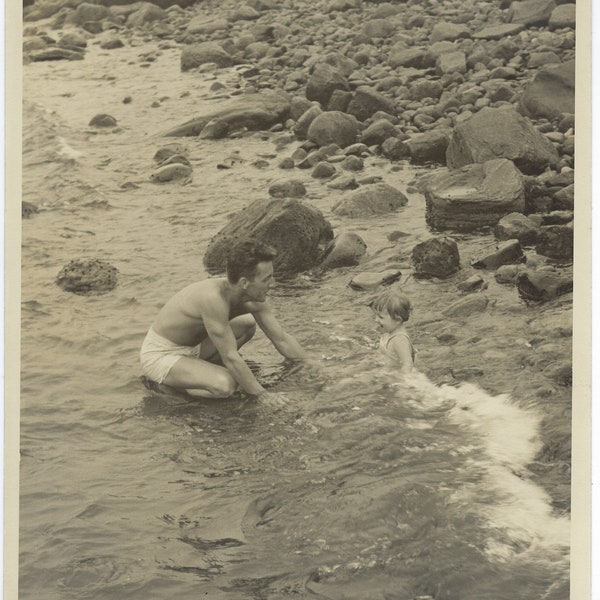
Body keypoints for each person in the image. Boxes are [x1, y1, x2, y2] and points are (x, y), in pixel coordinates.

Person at [140, 238, 308, 400]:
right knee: (226, 385)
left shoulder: (255, 298)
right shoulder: (213, 299)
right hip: (161, 355)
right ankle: (172, 385)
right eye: (266, 279)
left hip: (193, 348)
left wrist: (308, 365)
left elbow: (281, 338)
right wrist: (263, 395)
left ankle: (198, 371)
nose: (273, 283)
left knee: (247, 324)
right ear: (244, 283)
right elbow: (230, 356)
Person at [370, 288, 416, 374]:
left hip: (399, 379)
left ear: (397, 320)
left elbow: (408, 364)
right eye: (376, 316)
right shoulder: (390, 331)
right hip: (389, 371)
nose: (376, 320)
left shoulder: (399, 339)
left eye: (381, 317)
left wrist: (399, 380)